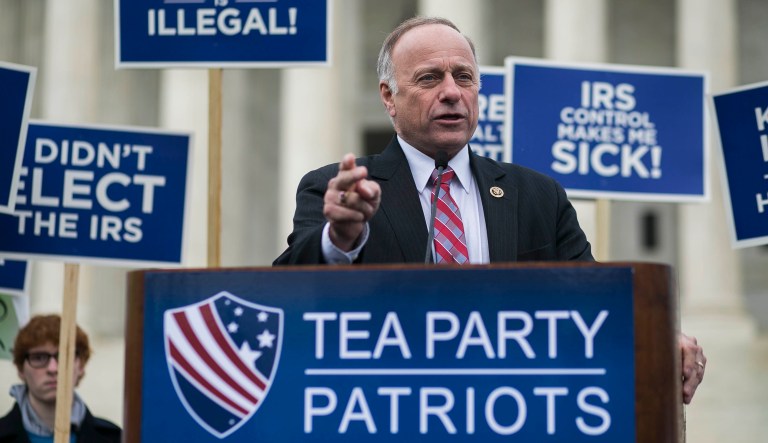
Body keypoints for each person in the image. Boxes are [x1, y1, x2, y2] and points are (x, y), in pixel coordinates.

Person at [274, 16, 705, 404]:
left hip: (508, 412)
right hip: (387, 411)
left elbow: (592, 300)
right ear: (389, 96)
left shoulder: (538, 195)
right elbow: (287, 296)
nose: (451, 93)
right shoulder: (334, 188)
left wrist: (654, 336)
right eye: (429, 78)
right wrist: (340, 239)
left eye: (464, 77)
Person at [0, 314, 121, 443]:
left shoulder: (116, 438)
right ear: (20, 369)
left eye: (63, 357)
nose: (53, 369)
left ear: (81, 366)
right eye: (39, 358)